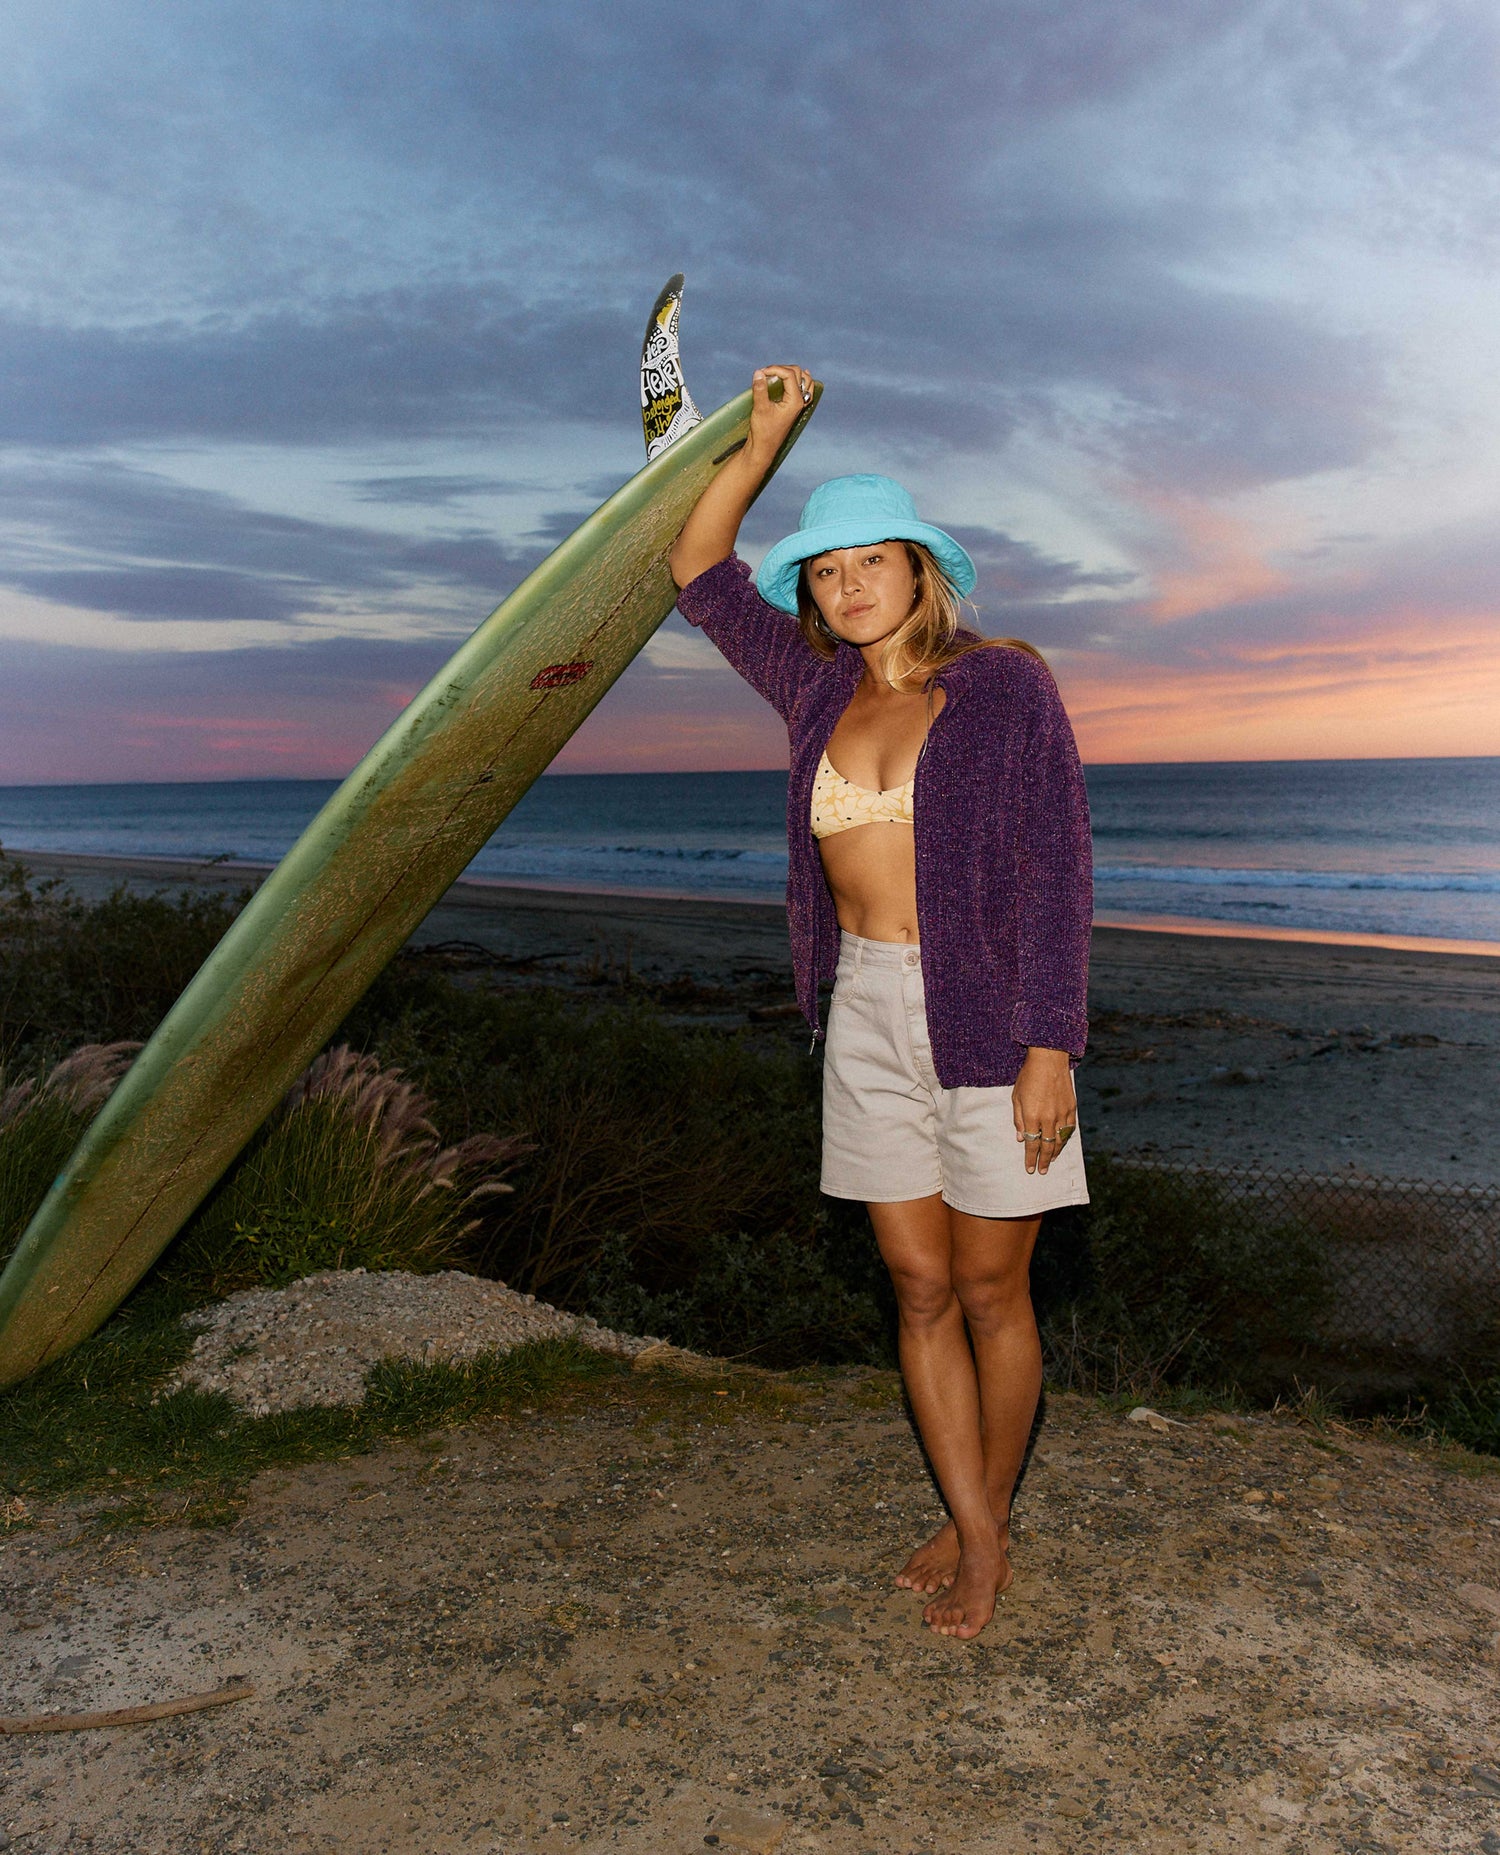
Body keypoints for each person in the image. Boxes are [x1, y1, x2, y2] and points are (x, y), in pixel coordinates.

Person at [668, 365, 1092, 1641]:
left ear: (919, 568)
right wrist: (766, 438)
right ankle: (974, 1520)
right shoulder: (811, 692)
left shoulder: (1008, 687)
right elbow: (696, 570)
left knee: (991, 1290)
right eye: (825, 569)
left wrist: (1050, 1045)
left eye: (869, 562)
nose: (846, 586)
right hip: (862, 1011)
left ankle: (986, 1527)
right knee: (915, 1289)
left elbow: (1060, 866)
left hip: (989, 1015)